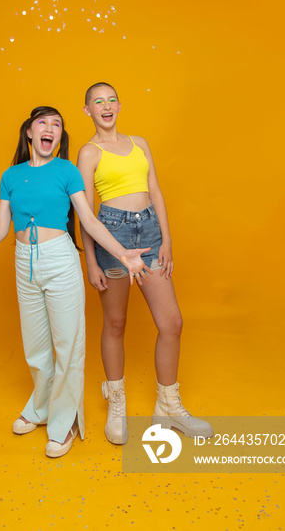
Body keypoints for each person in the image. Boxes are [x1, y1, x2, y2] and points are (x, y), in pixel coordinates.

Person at [0, 105, 151, 458]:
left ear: (58, 137)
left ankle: (64, 423)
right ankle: (39, 408)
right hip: (24, 263)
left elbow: (90, 221)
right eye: (43, 123)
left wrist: (124, 252)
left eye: (57, 125)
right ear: (30, 133)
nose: (51, 129)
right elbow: (0, 227)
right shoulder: (10, 175)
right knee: (36, 346)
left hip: (60, 261)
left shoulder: (66, 171)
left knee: (68, 345)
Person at [77, 83, 213, 444]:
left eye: (111, 100)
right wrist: (90, 261)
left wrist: (166, 239)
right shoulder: (89, 152)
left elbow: (155, 190)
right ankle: (117, 405)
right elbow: (86, 213)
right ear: (88, 110)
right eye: (97, 102)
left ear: (119, 105)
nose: (106, 107)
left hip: (150, 235)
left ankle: (168, 406)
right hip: (113, 237)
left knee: (172, 322)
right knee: (116, 322)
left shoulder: (140, 143)